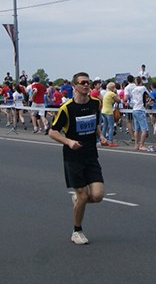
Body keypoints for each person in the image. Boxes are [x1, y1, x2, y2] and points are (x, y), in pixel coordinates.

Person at [49, 72, 109, 245]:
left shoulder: (95, 103)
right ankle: (77, 231)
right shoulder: (67, 108)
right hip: (73, 157)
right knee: (83, 194)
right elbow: (52, 131)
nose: (86, 85)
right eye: (82, 83)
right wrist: (68, 141)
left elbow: (95, 122)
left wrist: (101, 136)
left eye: (88, 83)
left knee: (97, 196)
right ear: (74, 86)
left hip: (91, 155)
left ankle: (78, 201)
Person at [130, 76, 150, 151]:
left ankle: (136, 145)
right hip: (141, 109)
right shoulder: (143, 88)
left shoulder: (133, 89)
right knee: (144, 129)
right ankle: (142, 145)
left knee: (136, 129)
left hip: (134, 109)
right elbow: (149, 95)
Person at [100, 82, 120, 146]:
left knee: (105, 126)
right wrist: (116, 93)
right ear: (112, 88)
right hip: (109, 112)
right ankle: (110, 141)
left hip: (103, 111)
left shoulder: (107, 93)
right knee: (111, 127)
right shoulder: (112, 94)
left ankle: (103, 140)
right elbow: (118, 100)